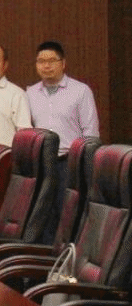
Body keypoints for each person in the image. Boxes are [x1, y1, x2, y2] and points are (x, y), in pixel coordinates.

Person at [27, 40, 99, 243]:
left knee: (68, 215)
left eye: (52, 61)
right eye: (41, 61)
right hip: (41, 164)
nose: (46, 66)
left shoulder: (80, 91)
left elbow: (91, 133)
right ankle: (43, 259)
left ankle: (68, 258)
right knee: (42, 216)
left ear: (63, 63)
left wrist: (84, 166)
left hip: (68, 163)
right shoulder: (30, 93)